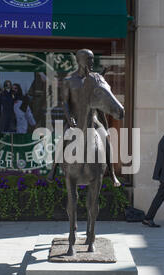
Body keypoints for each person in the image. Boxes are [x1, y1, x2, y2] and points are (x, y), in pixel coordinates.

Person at [47, 49, 121, 186]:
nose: (91, 62)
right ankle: (54, 168)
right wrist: (69, 119)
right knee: (63, 138)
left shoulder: (94, 78)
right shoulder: (69, 81)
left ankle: (112, 173)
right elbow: (65, 103)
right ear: (79, 61)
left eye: (92, 59)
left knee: (105, 138)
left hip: (93, 119)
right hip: (74, 119)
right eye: (89, 59)